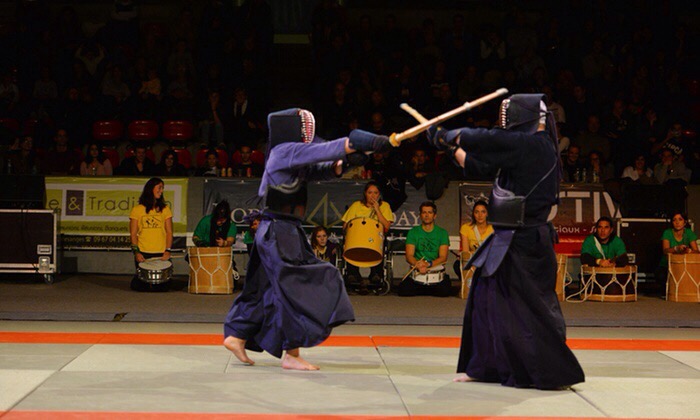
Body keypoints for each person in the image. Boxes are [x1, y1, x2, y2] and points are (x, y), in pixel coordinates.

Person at [427, 93, 584, 389]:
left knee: (525, 309)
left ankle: (546, 371)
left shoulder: (537, 145)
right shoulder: (522, 149)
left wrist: (451, 133)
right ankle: (485, 366)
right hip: (507, 236)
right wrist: (449, 146)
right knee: (485, 299)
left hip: (527, 241)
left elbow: (488, 138)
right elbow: (478, 165)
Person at [223, 107, 389, 370]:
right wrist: (365, 141)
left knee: (263, 288)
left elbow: (324, 168)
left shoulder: (292, 159)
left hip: (278, 230)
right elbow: (325, 150)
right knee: (297, 287)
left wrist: (350, 161)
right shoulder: (284, 151)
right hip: (278, 231)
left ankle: (237, 335)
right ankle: (291, 352)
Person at [340, 181, 395, 294]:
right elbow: (345, 225)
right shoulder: (357, 205)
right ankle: (352, 274)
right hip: (357, 238)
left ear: (379, 194)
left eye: (375, 193)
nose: (372, 196)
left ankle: (376, 274)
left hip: (375, 238)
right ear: (365, 193)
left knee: (379, 243)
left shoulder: (384, 206)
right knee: (350, 242)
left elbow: (387, 226)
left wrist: (377, 210)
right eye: (370, 192)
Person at [129, 177, 173, 292]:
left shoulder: (165, 209)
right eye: (159, 188)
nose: (161, 191)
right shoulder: (137, 210)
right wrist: (136, 252)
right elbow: (133, 233)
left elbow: (169, 232)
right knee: (141, 286)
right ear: (151, 189)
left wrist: (167, 250)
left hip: (161, 252)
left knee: (163, 286)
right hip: (144, 252)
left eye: (162, 188)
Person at [398, 201, 451, 297]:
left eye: (430, 212)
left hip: (434, 267)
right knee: (403, 291)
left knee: (445, 292)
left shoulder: (442, 233)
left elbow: (443, 257)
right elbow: (409, 255)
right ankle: (426, 290)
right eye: (424, 212)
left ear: (435, 216)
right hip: (418, 268)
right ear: (420, 215)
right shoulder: (413, 232)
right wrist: (417, 264)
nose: (427, 215)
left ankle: (425, 290)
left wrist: (428, 264)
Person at [655, 212, 699, 291]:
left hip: (684, 265)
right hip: (667, 265)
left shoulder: (689, 232)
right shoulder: (667, 232)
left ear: (685, 222)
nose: (677, 222)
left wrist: (688, 251)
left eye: (680, 219)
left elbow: (696, 251)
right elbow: (665, 250)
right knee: (660, 275)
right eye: (674, 220)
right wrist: (676, 249)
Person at [456, 200, 494, 277]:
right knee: (457, 265)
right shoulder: (466, 228)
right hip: (472, 259)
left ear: (487, 214)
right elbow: (466, 252)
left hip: (488, 260)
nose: (480, 215)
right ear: (473, 214)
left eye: (483, 212)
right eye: (477, 212)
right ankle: (467, 283)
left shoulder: (494, 229)